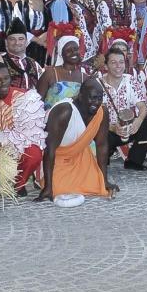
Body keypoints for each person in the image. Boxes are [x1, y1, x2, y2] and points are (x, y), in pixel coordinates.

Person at [38, 79, 116, 208]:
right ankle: (47, 182)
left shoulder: (102, 112)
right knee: (59, 189)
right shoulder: (64, 111)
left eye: (99, 98)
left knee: (97, 185)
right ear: (80, 96)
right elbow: (49, 150)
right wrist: (48, 187)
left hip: (81, 158)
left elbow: (102, 145)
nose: (96, 103)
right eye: (92, 98)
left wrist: (104, 180)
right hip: (56, 160)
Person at [0, 61, 47, 195]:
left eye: (6, 78)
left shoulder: (25, 98)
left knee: (34, 153)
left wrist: (5, 143)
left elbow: (29, 133)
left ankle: (18, 184)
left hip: (18, 143)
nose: (3, 83)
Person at [100, 47, 147, 170]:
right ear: (106, 66)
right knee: (100, 132)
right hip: (106, 131)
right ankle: (105, 155)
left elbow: (142, 106)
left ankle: (134, 161)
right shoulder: (97, 84)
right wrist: (113, 128)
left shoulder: (130, 80)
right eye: (113, 62)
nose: (118, 66)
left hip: (128, 128)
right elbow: (93, 118)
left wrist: (138, 122)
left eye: (121, 62)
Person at [39, 24, 90, 107]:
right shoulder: (50, 74)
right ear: (61, 54)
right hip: (51, 119)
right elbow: (37, 101)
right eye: (69, 50)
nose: (73, 52)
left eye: (75, 49)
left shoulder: (84, 77)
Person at [0, 19, 43, 92]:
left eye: (21, 39)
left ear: (26, 42)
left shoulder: (34, 64)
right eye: (12, 39)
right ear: (6, 42)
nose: (17, 43)